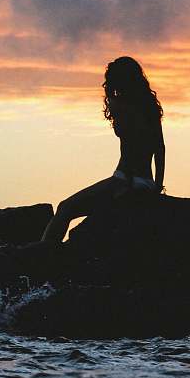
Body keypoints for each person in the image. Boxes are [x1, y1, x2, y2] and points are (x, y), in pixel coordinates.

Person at [41, 56, 165, 243]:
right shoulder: (149, 107)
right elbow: (160, 149)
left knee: (65, 208)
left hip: (124, 180)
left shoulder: (120, 105)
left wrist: (127, 186)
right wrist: (156, 186)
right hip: (146, 182)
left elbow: (127, 143)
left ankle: (43, 255)